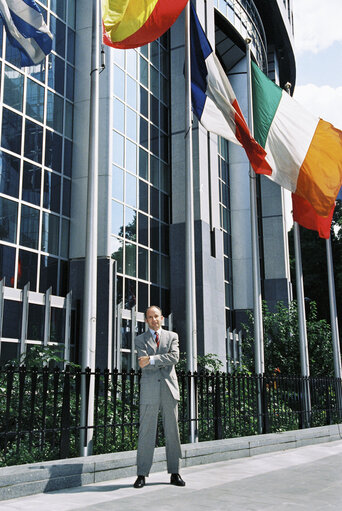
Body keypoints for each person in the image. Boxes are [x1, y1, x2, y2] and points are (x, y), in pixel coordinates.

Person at [133, 305, 185, 489]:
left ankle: (175, 472)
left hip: (169, 390)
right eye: (150, 317)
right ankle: (141, 474)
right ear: (146, 320)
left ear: (162, 318)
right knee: (146, 432)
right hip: (149, 391)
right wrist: (156, 360)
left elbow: (175, 357)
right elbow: (142, 364)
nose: (154, 320)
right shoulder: (140, 340)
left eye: (156, 316)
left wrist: (153, 359)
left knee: (173, 432)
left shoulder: (172, 337)